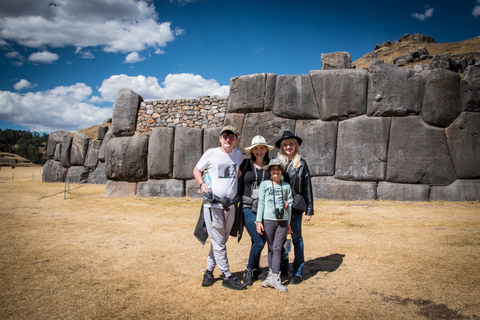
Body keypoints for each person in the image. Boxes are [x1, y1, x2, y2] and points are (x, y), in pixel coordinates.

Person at [193, 125, 246, 290]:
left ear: (236, 139)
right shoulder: (211, 153)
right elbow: (196, 169)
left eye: (231, 137)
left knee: (220, 241)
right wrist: (202, 183)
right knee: (218, 241)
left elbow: (239, 174)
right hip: (213, 205)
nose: (228, 140)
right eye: (225, 136)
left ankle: (209, 271)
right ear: (220, 138)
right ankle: (227, 275)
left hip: (230, 206)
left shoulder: (239, 156)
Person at [275, 130, 314, 284]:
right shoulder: (276, 162)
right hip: (279, 206)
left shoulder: (302, 164)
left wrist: (309, 209)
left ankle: (298, 271)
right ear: (282, 146)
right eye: (285, 144)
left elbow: (307, 188)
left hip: (296, 206)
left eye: (291, 143)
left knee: (297, 239)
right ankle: (283, 267)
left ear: (295, 145)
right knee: (281, 238)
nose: (288, 146)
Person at [238, 136, 274, 286]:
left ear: (266, 150)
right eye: (256, 148)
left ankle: (256, 269)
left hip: (264, 208)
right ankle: (248, 269)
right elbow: (233, 179)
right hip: (247, 207)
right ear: (252, 150)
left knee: (256, 240)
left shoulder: (271, 166)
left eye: (261, 148)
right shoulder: (246, 164)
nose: (259, 151)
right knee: (259, 240)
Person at [256, 158, 293, 292]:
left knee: (277, 248)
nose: (275, 171)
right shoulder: (265, 185)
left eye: (278, 168)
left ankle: (275, 277)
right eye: (273, 168)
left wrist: (288, 223)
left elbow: (290, 205)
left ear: (281, 171)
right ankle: (271, 275)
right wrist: (258, 221)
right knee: (271, 247)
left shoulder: (286, 186)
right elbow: (261, 202)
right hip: (268, 219)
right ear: (270, 171)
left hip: (282, 221)